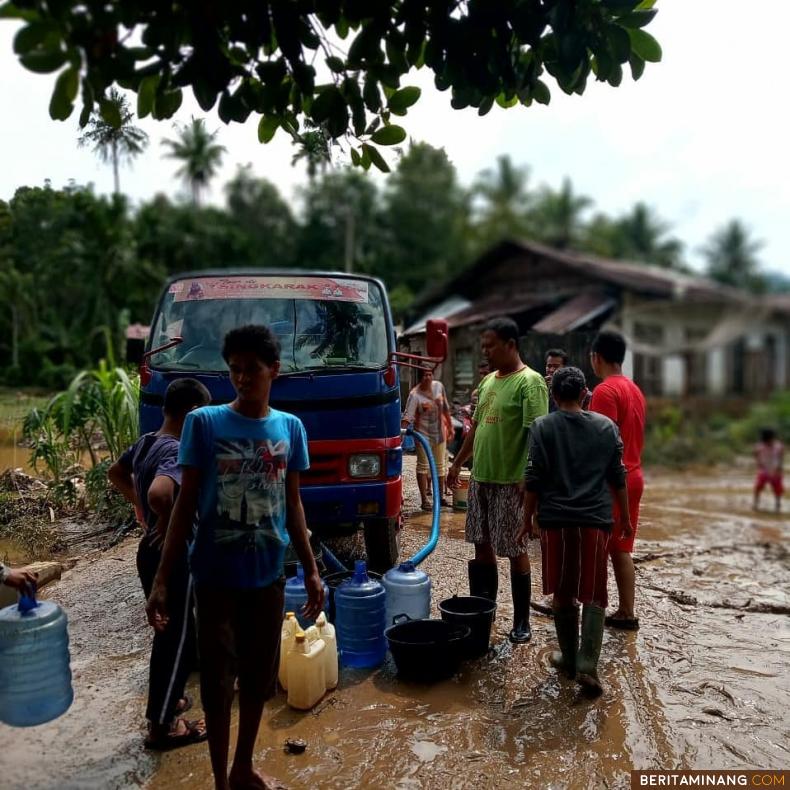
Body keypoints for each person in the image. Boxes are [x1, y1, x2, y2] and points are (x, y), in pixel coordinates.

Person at [146, 325, 324, 790]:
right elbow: (183, 506)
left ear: (274, 371)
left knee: (258, 677)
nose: (243, 379)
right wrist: (163, 577)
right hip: (214, 576)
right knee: (216, 683)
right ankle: (221, 782)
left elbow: (293, 503)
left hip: (267, 575)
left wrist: (310, 567)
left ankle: (243, 767)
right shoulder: (203, 423)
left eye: (252, 370)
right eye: (235, 370)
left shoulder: (290, 428)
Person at [108, 377, 211, 750]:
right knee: (176, 639)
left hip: (148, 552)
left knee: (169, 631)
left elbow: (115, 473)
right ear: (194, 413)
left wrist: (139, 505)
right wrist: (164, 518)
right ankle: (164, 727)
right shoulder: (177, 449)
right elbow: (160, 492)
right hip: (173, 553)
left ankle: (171, 702)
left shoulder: (147, 441)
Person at [518, 367, 631, 697]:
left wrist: (526, 519)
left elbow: (534, 477)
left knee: (563, 591)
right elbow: (618, 477)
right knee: (594, 591)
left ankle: (568, 659)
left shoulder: (542, 426)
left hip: (556, 522)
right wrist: (624, 517)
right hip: (596, 521)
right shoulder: (606, 427)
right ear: (585, 394)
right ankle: (587, 665)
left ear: (553, 396)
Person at [447, 317, 549, 643]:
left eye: (491, 346)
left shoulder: (530, 382)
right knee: (482, 544)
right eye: (483, 347)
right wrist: (457, 464)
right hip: (481, 479)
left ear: (510, 345)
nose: (486, 352)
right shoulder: (489, 382)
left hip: (511, 482)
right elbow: (474, 428)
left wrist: (530, 479)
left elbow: (538, 435)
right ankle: (484, 614)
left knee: (515, 548)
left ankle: (522, 621)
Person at [589, 330, 646, 631]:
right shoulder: (634, 389)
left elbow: (601, 445)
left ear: (596, 357)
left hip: (612, 482)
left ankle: (595, 613)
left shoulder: (604, 392)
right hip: (634, 476)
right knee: (622, 548)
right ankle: (626, 611)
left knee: (597, 549)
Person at [402, 368, 451, 510]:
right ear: (420, 377)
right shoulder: (415, 394)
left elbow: (445, 408)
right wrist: (400, 435)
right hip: (422, 435)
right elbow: (408, 417)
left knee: (441, 467)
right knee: (423, 466)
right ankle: (424, 500)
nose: (428, 377)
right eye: (425, 375)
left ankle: (440, 497)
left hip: (439, 434)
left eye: (430, 374)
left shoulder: (439, 387)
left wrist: (451, 428)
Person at [753, 427, 784, 512]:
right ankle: (756, 503)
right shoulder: (759, 446)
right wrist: (759, 463)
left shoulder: (778, 446)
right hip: (764, 470)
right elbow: (756, 455)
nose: (770, 441)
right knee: (758, 487)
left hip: (775, 469)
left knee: (778, 489)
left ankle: (778, 504)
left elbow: (781, 457)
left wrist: (780, 468)